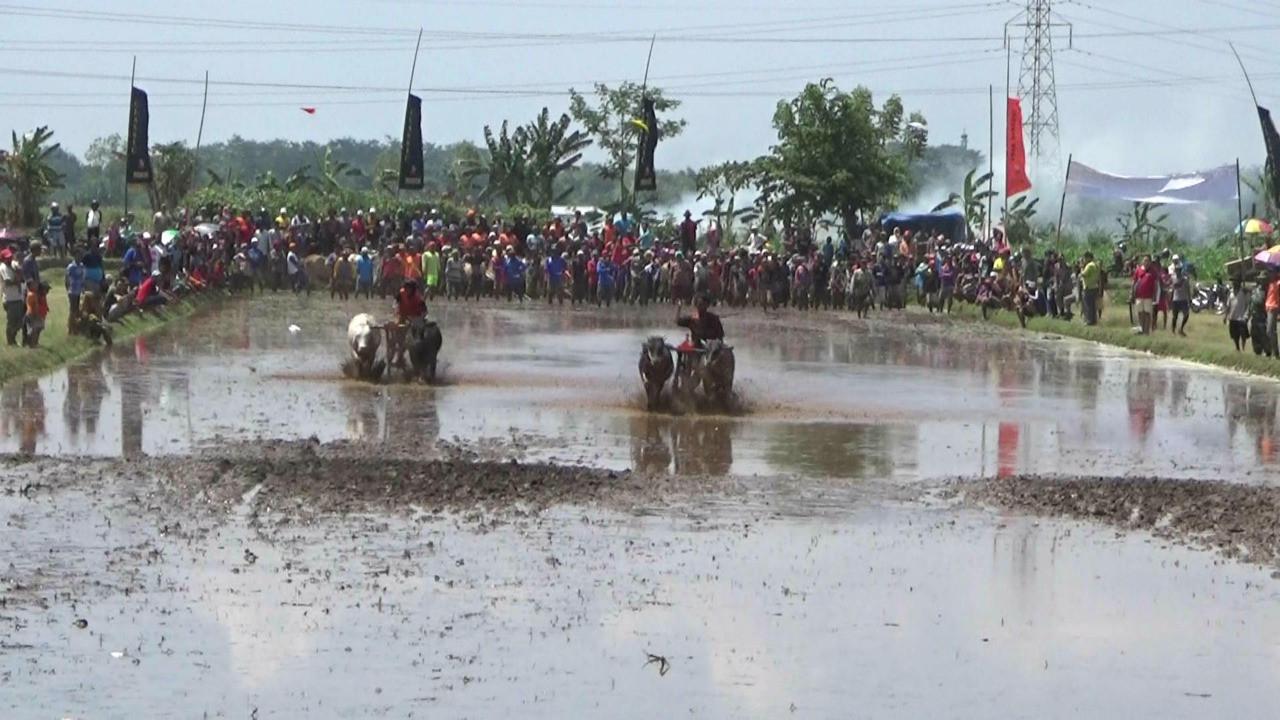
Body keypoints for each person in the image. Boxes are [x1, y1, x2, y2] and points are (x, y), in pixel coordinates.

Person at [1, 247, 23, 346]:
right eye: (7, 258)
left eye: (10, 257)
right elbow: (8, 282)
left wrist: (19, 272)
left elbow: (20, 269)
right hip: (9, 299)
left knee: (20, 321)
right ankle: (10, 341)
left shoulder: (13, 264)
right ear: (3, 259)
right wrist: (17, 280)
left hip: (17, 297)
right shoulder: (3, 268)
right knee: (12, 321)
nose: (9, 259)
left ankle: (13, 339)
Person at [1133, 256, 1157, 335]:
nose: (1146, 262)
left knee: (1147, 313)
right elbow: (1134, 282)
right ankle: (1141, 329)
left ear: (1150, 262)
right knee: (1140, 313)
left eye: (1147, 261)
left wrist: (1155, 295)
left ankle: (1146, 331)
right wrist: (1132, 293)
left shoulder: (1153, 271)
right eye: (1145, 261)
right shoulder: (1138, 270)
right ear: (1142, 262)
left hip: (1148, 296)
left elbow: (1155, 284)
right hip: (1139, 295)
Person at [1226, 280, 1251, 352]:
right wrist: (1225, 316)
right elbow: (1228, 305)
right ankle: (1237, 348)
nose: (1234, 284)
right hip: (1232, 317)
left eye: (1235, 283)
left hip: (1241, 317)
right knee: (1234, 335)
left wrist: (1247, 315)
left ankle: (1243, 348)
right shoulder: (1230, 293)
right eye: (1233, 283)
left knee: (1243, 334)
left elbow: (1248, 304)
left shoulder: (1243, 292)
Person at [23, 279, 49, 347]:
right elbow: (35, 306)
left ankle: (35, 342)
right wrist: (37, 314)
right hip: (34, 314)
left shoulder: (40, 295)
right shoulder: (33, 295)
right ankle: (32, 343)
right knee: (35, 329)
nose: (47, 291)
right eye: (46, 289)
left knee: (38, 329)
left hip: (40, 315)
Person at [65, 254, 85, 333]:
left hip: (79, 290)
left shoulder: (82, 266)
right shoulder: (71, 267)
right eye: (78, 256)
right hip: (72, 290)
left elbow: (83, 277)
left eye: (80, 256)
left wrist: (83, 288)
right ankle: (70, 329)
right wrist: (68, 288)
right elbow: (67, 278)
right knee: (72, 310)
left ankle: (75, 328)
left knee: (76, 310)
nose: (79, 258)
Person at [1080, 251, 1102, 325]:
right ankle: (1094, 320)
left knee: (1088, 305)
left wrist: (1081, 267)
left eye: (1085, 258)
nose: (1084, 259)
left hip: (1088, 287)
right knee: (1093, 306)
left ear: (1088, 257)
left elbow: (1084, 274)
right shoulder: (1096, 265)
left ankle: (1089, 320)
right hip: (1094, 286)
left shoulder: (1089, 266)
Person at [1169, 264, 1191, 336]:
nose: (1178, 271)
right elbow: (1172, 289)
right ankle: (1173, 330)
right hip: (1175, 299)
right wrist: (1170, 299)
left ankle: (1181, 328)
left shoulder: (1185, 279)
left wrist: (1189, 299)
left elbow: (1188, 289)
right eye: (1176, 270)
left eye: (1179, 270)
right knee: (1175, 316)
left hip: (1183, 299)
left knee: (1186, 314)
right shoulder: (1173, 278)